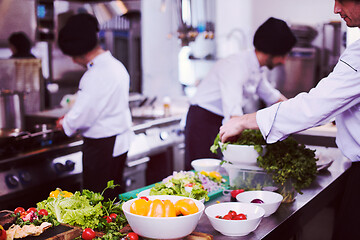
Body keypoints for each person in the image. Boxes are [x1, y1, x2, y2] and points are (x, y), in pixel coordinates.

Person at [219, 1, 360, 239]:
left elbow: (314, 105)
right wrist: (245, 120)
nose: (336, 9)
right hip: (211, 120)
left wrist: (246, 120)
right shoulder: (237, 64)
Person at [184, 17, 296, 170]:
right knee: (204, 176)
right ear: (271, 52)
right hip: (203, 122)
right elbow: (233, 113)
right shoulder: (236, 66)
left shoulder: (257, 67)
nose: (283, 61)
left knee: (219, 175)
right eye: (283, 55)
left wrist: (297, 113)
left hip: (220, 121)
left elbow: (272, 96)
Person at [56, 13, 134, 200]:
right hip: (117, 141)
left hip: (102, 146)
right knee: (111, 198)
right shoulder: (117, 66)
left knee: (97, 202)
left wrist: (65, 123)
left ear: (78, 52)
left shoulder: (95, 74)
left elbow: (84, 114)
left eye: (72, 56)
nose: (73, 61)